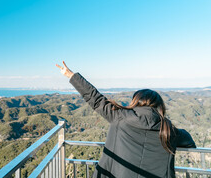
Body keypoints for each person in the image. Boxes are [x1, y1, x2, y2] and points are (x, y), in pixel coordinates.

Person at [56, 61, 196, 178]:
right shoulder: (169, 130)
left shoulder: (120, 117)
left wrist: (71, 75)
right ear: (159, 107)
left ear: (136, 101)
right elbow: (190, 142)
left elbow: (96, 99)